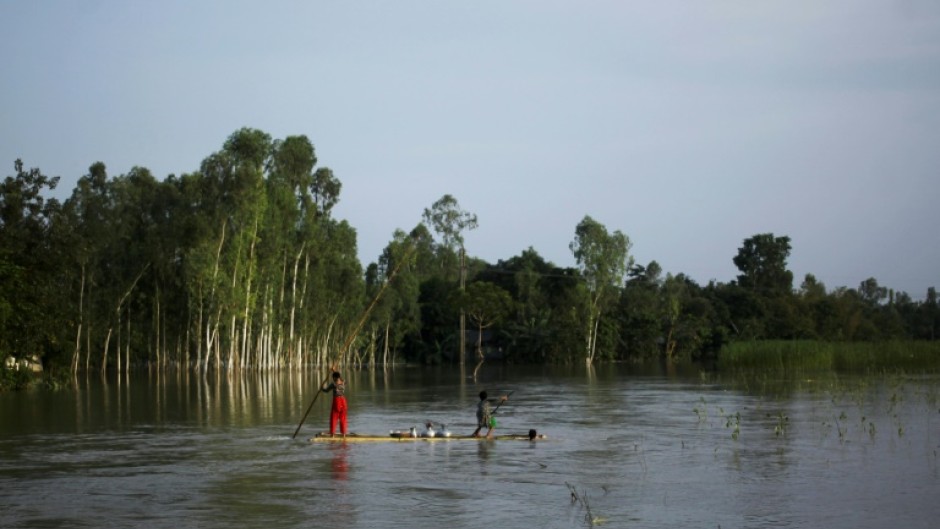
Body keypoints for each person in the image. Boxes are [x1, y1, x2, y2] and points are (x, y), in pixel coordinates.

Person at [321, 370, 347, 437]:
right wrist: (334, 371)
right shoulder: (343, 382)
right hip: (343, 401)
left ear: (335, 377)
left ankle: (332, 434)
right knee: (343, 418)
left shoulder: (333, 384)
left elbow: (326, 390)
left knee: (334, 417)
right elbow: (340, 377)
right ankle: (344, 434)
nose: (333, 379)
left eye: (333, 378)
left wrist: (321, 388)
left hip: (337, 401)